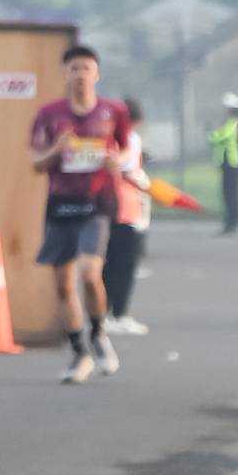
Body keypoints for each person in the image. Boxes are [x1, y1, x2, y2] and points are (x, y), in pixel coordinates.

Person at [31, 41, 132, 382]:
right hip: (61, 205)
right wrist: (56, 150)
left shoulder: (114, 112)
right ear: (65, 73)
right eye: (73, 68)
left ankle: (99, 332)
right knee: (63, 285)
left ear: (97, 74)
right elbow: (36, 162)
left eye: (86, 68)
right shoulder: (49, 114)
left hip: (97, 204)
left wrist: (115, 161)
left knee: (89, 274)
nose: (80, 75)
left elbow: (125, 151)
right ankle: (80, 352)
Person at [102, 96, 152, 335]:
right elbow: (127, 171)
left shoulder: (105, 136)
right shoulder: (130, 139)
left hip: (107, 207)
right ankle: (119, 315)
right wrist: (146, 184)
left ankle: (103, 314)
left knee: (109, 263)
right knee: (125, 265)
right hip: (125, 209)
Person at [212, 96, 238, 234]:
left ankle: (230, 223)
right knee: (229, 194)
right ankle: (230, 222)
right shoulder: (231, 124)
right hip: (228, 164)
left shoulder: (232, 124)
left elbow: (216, 137)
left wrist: (212, 133)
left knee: (230, 195)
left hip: (231, 164)